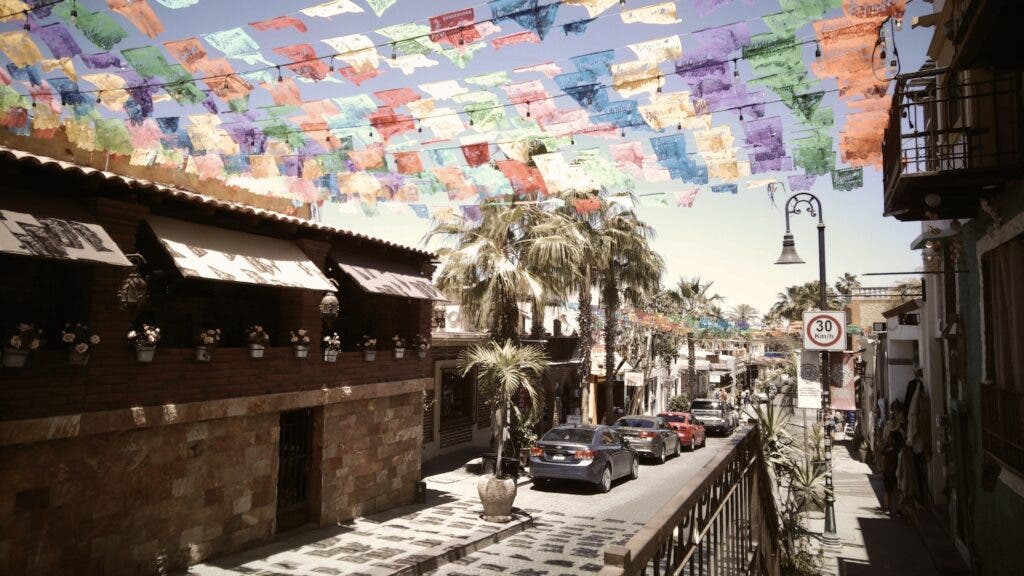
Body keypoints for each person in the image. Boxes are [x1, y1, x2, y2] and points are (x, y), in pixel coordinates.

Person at [881, 401, 906, 515]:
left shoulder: (892, 424)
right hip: (893, 457)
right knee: (893, 484)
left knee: (895, 484)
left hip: (894, 458)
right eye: (896, 411)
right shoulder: (894, 425)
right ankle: (891, 507)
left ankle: (891, 507)